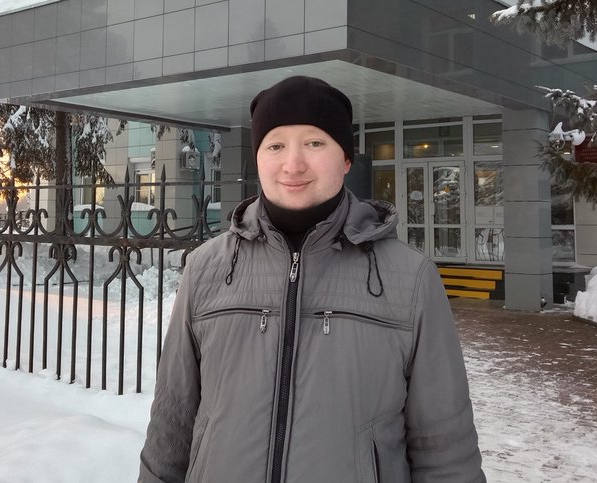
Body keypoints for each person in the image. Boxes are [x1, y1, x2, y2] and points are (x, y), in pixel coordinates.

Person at [139, 76, 485, 482]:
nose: (293, 163)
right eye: (276, 145)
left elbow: (444, 448)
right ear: (259, 157)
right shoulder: (206, 268)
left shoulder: (410, 279)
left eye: (315, 143)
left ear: (346, 159)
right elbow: (172, 422)